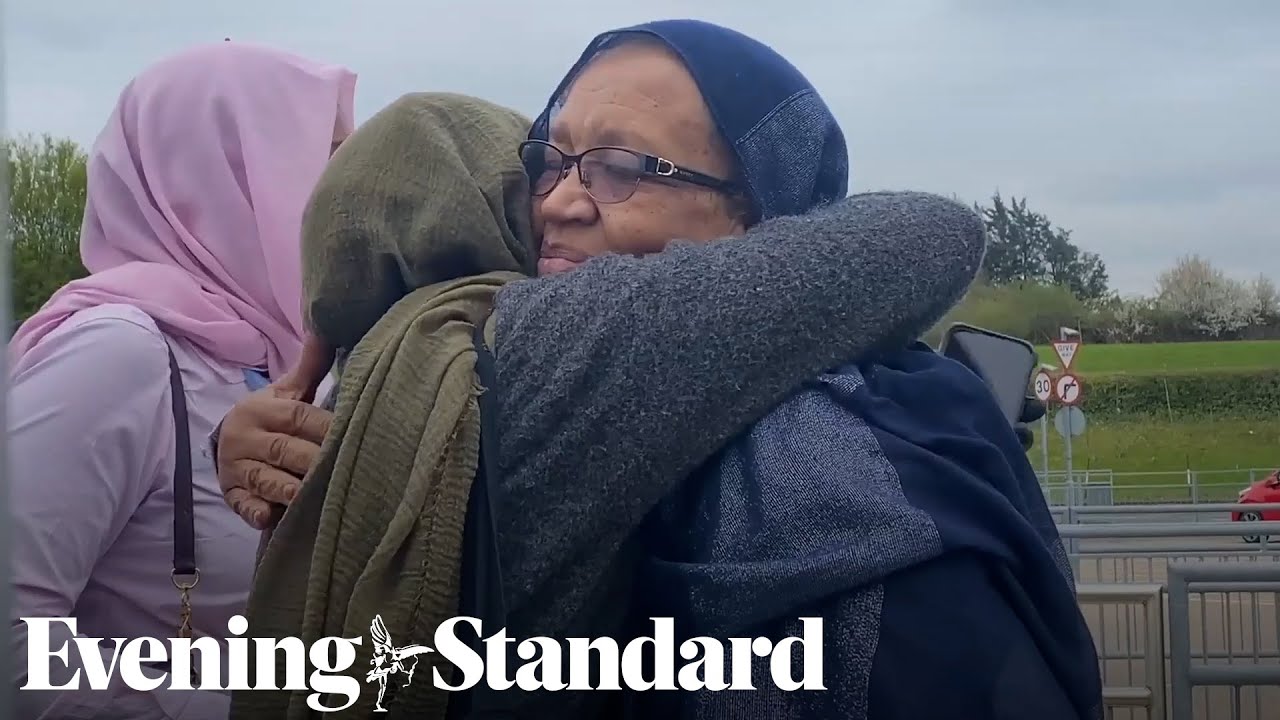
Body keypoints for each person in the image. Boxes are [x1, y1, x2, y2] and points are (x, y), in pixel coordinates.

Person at [215, 19, 1093, 718]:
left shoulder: (817, 444)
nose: (557, 202)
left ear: (758, 216)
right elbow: (932, 231)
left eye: (623, 169)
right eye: (548, 160)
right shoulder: (504, 351)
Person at [8, 42, 356, 720]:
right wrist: (250, 708)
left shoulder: (281, 357)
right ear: (225, 175)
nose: (353, 196)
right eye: (326, 158)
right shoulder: (116, 355)